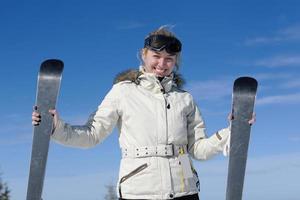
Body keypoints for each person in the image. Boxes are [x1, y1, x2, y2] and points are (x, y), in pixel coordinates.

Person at [32, 26, 255, 200]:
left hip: (185, 190)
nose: (162, 63)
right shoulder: (123, 92)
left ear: (176, 62)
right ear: (143, 55)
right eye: (156, 57)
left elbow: (198, 149)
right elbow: (92, 135)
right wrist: (55, 128)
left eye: (169, 59)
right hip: (139, 190)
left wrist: (232, 132)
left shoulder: (184, 99)